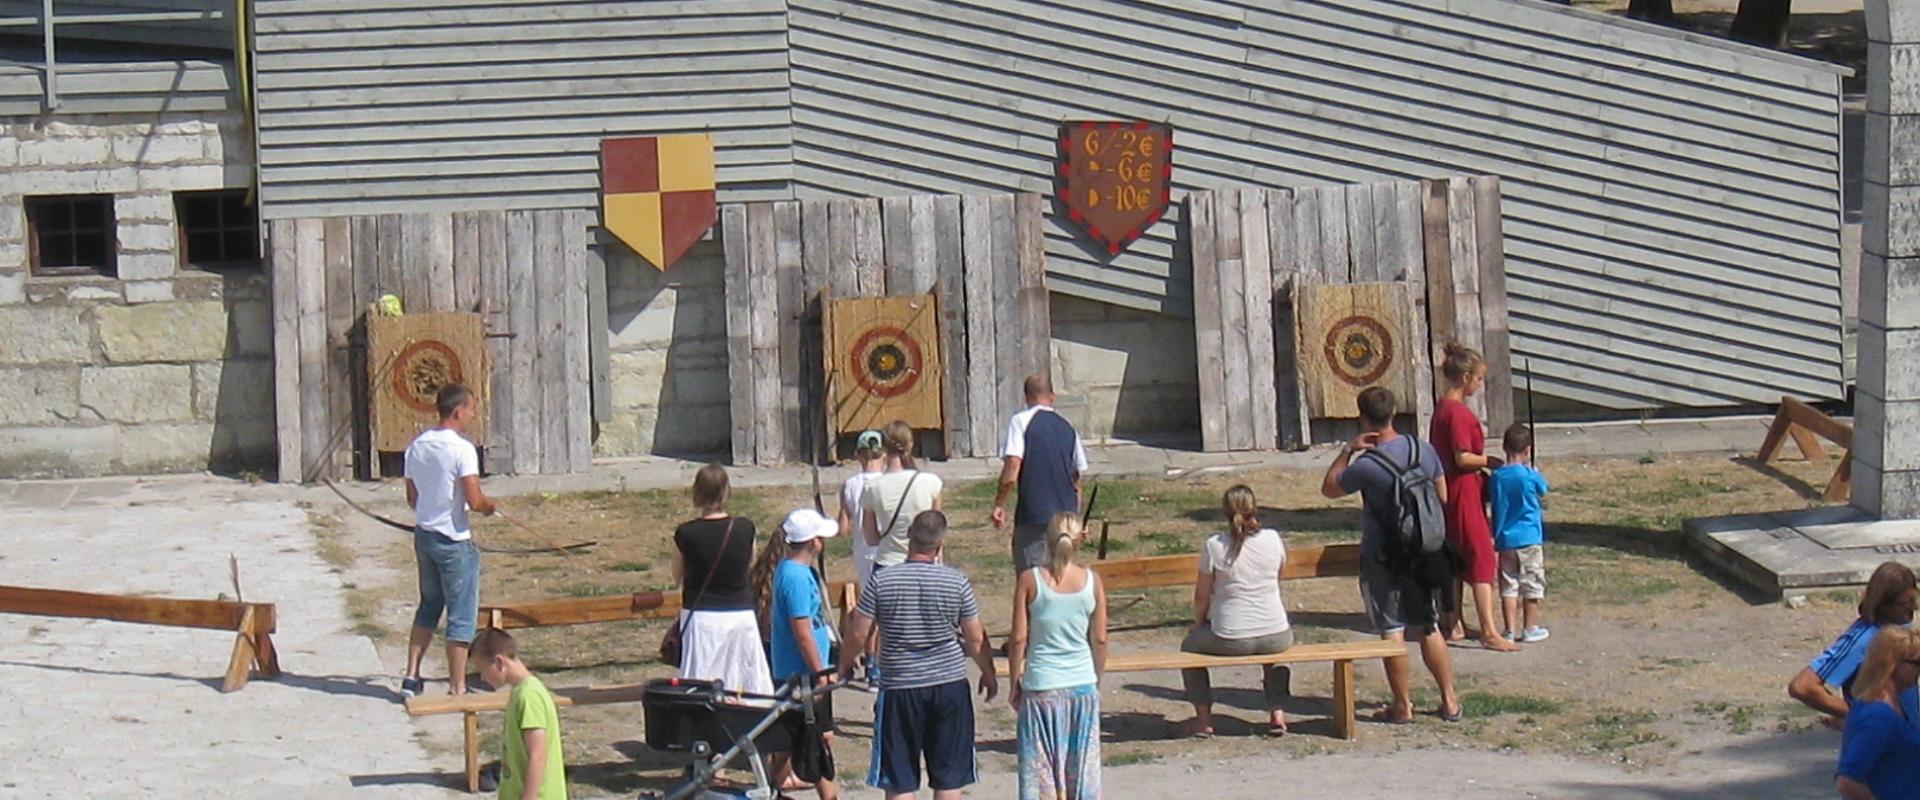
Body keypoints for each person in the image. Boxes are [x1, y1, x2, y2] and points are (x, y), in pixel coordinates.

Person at [1322, 385, 1463, 723]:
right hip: (1424, 551)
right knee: (1428, 625)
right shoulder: (1422, 450)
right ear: (1394, 411)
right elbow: (1442, 495)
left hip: (1384, 554)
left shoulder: (1368, 465)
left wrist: (1347, 451)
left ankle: (1403, 705)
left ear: (1363, 417)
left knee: (1392, 627)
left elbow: (1329, 488)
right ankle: (1450, 700)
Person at [838, 510, 998, 800]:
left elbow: (859, 632)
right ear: (941, 543)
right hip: (948, 682)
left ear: (909, 534)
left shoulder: (882, 581)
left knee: (900, 780)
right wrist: (988, 672)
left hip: (900, 685)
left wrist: (846, 663)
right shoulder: (957, 582)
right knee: (949, 778)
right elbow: (975, 637)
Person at [402, 383, 499, 697]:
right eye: (471, 409)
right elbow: (473, 497)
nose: (472, 414)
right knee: (461, 613)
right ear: (458, 411)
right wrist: (489, 506)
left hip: (424, 536)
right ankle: (457, 685)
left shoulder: (416, 446)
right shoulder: (461, 449)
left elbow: (412, 497)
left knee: (429, 605)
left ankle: (411, 676)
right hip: (454, 540)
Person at [1176, 486, 1294, 738]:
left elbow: (1201, 595)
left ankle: (1204, 719)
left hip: (1231, 634)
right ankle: (1277, 714)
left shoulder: (1214, 546)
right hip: (1276, 630)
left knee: (1189, 648)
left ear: (1224, 511)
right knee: (1276, 653)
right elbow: (1278, 577)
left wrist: (1199, 623)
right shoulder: (1273, 539)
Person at [1006, 512, 1107, 800]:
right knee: (1082, 770)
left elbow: (1018, 638)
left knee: (1041, 775)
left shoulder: (1030, 579)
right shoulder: (1092, 581)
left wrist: (1015, 679)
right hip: (1081, 682)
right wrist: (1096, 677)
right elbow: (1099, 638)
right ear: (1079, 540)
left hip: (1041, 684)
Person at [1430, 343, 1521, 652]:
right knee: (1481, 556)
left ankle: (1452, 620)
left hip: (1451, 490)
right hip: (1463, 490)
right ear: (1466, 377)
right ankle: (1489, 629)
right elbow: (1461, 457)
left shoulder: (1442, 407)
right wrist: (1489, 462)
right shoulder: (1456, 413)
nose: (1480, 385)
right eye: (1479, 379)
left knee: (1455, 557)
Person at [672, 464, 773, 695]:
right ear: (726, 492)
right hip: (739, 613)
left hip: (702, 615)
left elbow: (677, 577)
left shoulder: (686, 533)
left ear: (697, 492)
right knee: (746, 681)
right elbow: (750, 564)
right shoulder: (744, 528)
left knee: (700, 681)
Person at [769, 508, 844, 800]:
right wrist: (821, 672)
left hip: (799, 669)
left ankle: (771, 788)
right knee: (818, 738)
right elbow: (802, 631)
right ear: (813, 542)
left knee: (792, 739)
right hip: (802, 673)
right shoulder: (796, 578)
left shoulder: (793, 571)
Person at [1790, 562, 1919, 729]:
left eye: (1914, 599)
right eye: (1904, 603)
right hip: (1879, 743)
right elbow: (1802, 686)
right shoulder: (1862, 639)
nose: (1914, 608)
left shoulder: (1901, 627)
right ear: (1883, 605)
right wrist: (1854, 715)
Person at [992, 373, 1090, 574]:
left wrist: (1000, 504)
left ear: (1026, 397)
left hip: (1034, 516)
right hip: (1065, 519)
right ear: (1052, 397)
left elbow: (1013, 465)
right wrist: (1077, 518)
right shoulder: (1068, 428)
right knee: (1062, 576)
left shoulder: (1020, 422)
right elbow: (1077, 479)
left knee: (1033, 580)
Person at [474, 629, 568, 800]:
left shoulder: (529, 696)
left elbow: (538, 754)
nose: (482, 677)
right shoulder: (520, 692)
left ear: (499, 662)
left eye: (483, 670)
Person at [1835, 627, 1920, 800]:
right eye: (1917, 664)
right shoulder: (1878, 715)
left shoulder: (1891, 706)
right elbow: (1847, 780)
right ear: (1892, 664)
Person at [1488, 423, 1551, 644]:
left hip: (1505, 538)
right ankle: (1530, 627)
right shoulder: (1529, 475)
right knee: (1532, 582)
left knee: (1509, 584)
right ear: (1528, 451)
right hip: (1529, 537)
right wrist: (1535, 471)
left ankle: (1509, 630)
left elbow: (1492, 499)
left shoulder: (1497, 477)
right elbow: (1544, 489)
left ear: (1504, 448)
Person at [861, 421, 944, 571]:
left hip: (887, 563)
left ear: (883, 448)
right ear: (910, 445)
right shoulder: (930, 482)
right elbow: (937, 533)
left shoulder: (872, 488)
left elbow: (871, 538)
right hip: (925, 563)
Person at [840, 430, 888, 588]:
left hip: (864, 552)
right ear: (884, 455)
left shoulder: (849, 485)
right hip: (889, 551)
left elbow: (843, 528)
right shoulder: (889, 482)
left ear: (858, 456)